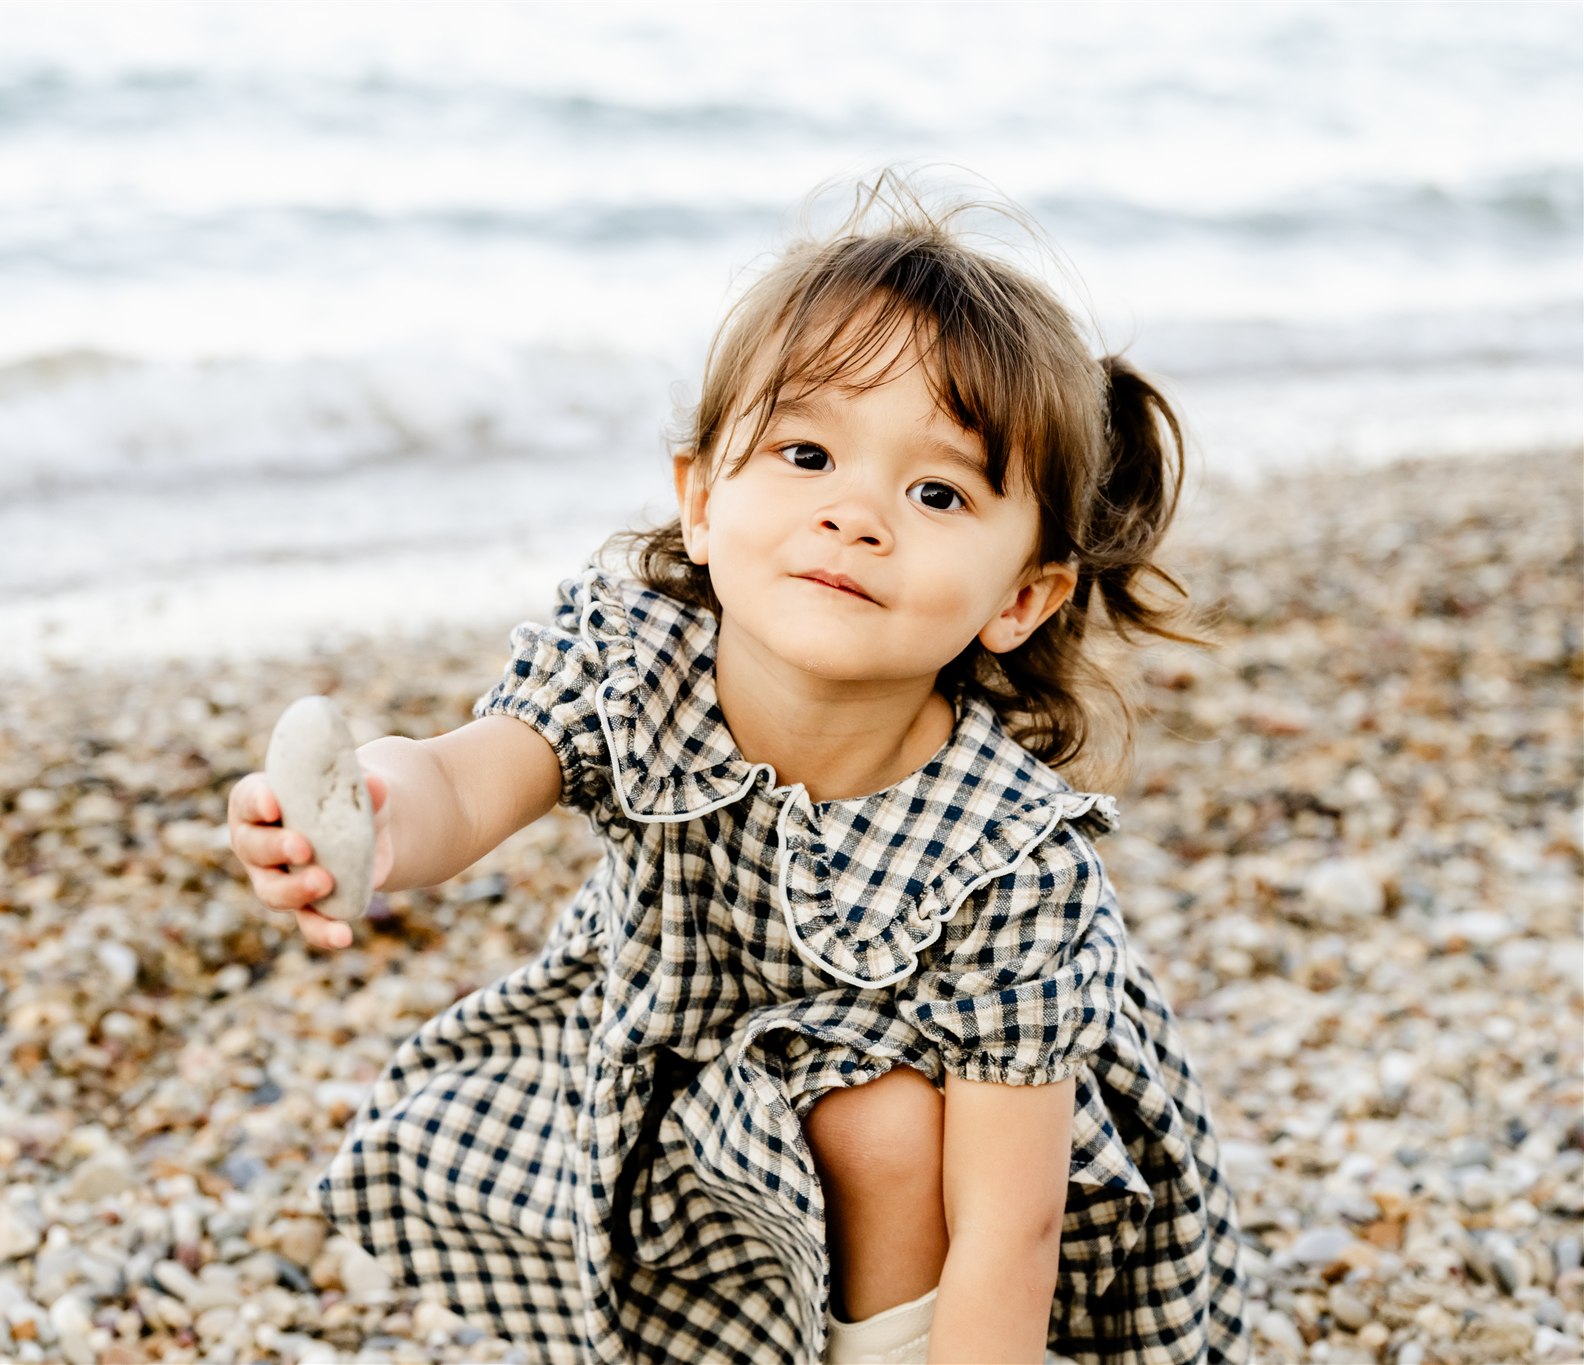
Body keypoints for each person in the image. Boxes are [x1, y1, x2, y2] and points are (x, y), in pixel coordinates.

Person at [227, 172, 1248, 1365]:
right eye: (806, 453)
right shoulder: (634, 663)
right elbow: (468, 776)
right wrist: (377, 821)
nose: (854, 515)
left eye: (934, 492)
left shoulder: (1009, 855)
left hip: (950, 1149)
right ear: (700, 501)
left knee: (875, 1120)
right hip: (683, 1072)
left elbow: (1006, 1230)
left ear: (1019, 598)